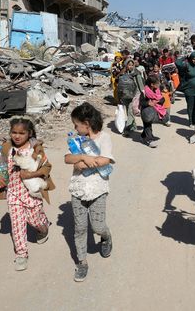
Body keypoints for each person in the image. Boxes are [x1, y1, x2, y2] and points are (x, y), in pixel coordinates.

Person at [0, 117, 55, 271]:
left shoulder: (36, 149)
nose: (17, 136)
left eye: (21, 133)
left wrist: (31, 175)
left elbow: (47, 167)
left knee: (35, 219)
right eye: (14, 132)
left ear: (29, 133)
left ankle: (43, 227)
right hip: (13, 192)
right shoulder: (6, 148)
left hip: (32, 192)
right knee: (17, 222)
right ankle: (21, 254)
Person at [66, 103, 115, 282]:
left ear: (87, 124)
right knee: (79, 228)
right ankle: (82, 262)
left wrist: (83, 163)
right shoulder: (75, 140)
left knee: (97, 226)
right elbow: (68, 158)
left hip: (98, 190)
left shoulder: (104, 138)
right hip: (78, 190)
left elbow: (106, 160)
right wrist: (81, 157)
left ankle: (106, 236)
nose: (75, 128)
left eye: (76, 125)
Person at [176, 51, 195, 130]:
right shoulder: (187, 66)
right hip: (189, 90)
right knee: (191, 106)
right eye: (193, 59)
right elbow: (177, 62)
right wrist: (185, 57)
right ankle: (190, 122)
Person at [140, 74, 170, 147]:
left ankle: (143, 136)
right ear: (152, 84)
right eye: (157, 83)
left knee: (149, 124)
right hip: (146, 111)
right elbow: (141, 102)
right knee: (147, 124)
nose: (159, 84)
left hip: (156, 109)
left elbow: (162, 99)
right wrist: (148, 103)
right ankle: (150, 140)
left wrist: (157, 101)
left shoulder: (157, 91)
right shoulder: (145, 92)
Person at [116, 59, 144, 137]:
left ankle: (127, 129)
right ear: (126, 66)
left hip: (135, 94)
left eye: (132, 65)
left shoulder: (136, 73)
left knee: (130, 111)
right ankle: (133, 126)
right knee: (129, 110)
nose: (130, 66)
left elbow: (141, 86)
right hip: (126, 95)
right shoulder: (125, 74)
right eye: (129, 65)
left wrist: (143, 94)